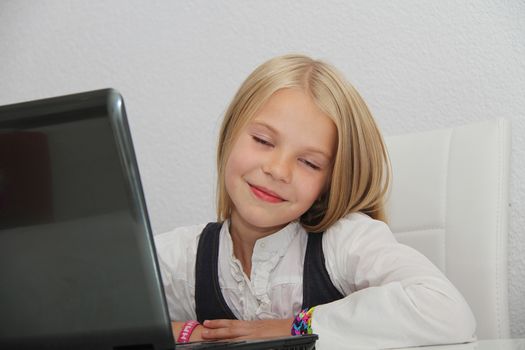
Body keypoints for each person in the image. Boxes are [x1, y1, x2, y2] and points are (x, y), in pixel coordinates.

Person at [154, 54, 476, 349]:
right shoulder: (187, 255)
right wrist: (187, 333)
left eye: (309, 162)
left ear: (329, 183)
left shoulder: (344, 241)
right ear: (230, 134)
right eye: (263, 140)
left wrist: (294, 327)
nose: (278, 170)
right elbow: (104, 306)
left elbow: (446, 311)